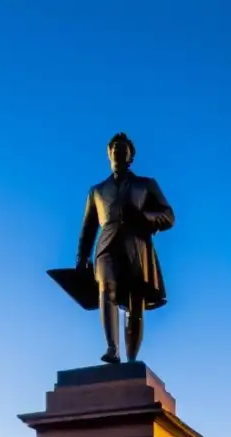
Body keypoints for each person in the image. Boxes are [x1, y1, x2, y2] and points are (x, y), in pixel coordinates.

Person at [74, 132, 175, 364]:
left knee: (135, 305)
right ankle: (112, 349)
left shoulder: (146, 185)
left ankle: (131, 359)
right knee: (106, 288)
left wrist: (144, 217)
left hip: (136, 249)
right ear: (108, 154)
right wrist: (81, 256)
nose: (118, 153)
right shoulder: (96, 191)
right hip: (106, 247)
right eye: (114, 149)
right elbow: (88, 228)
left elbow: (169, 216)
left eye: (123, 150)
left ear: (130, 157)